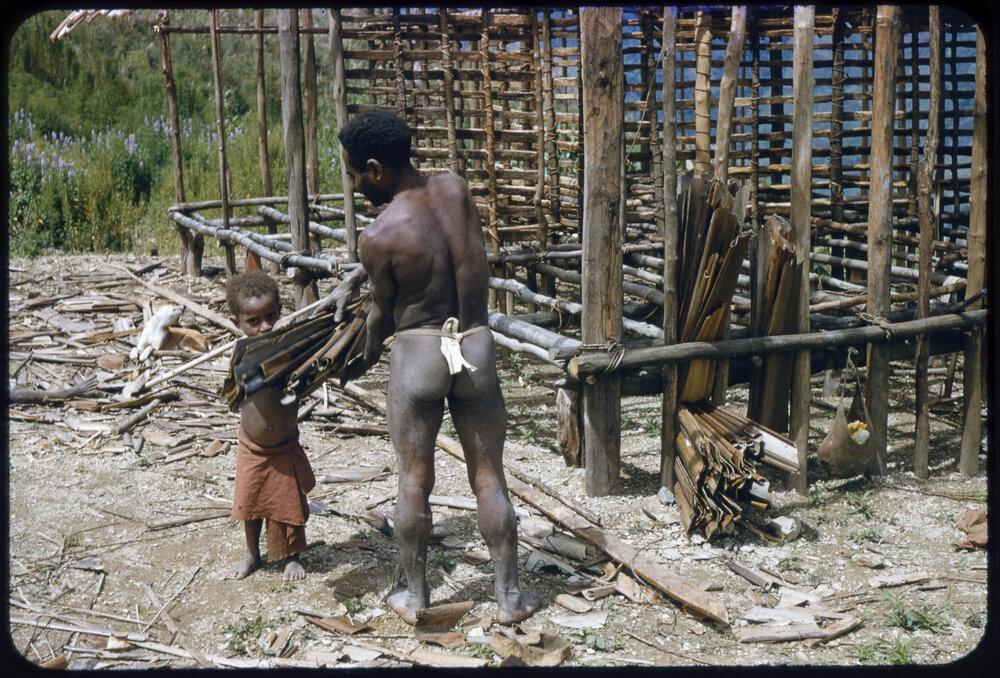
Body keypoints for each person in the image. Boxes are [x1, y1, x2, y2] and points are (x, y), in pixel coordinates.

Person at [336, 108, 538, 624]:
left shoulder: (378, 235)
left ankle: (416, 595)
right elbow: (456, 256)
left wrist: (357, 358)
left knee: (413, 479)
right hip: (474, 346)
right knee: (489, 474)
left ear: (377, 168)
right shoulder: (458, 190)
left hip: (421, 351)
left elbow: (382, 313)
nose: (357, 187)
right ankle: (510, 597)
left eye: (356, 175)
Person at [225, 270, 316, 582]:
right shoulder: (243, 353)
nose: (264, 325)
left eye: (271, 316)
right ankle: (252, 552)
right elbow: (235, 391)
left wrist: (288, 338)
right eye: (253, 321)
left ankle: (292, 556)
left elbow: (306, 369)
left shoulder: (290, 347)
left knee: (287, 503)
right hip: (252, 446)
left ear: (280, 312)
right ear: (237, 322)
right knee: (250, 502)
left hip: (284, 444)